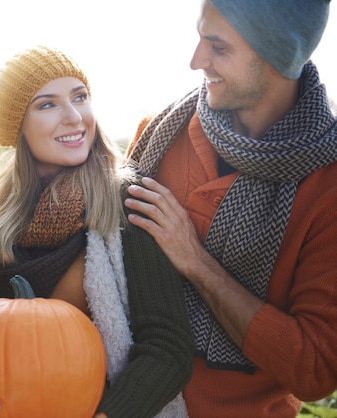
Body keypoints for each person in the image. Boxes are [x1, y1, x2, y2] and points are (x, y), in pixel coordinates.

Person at [0, 45, 194, 418]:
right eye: (47, 105)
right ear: (18, 126)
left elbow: (167, 349)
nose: (74, 117)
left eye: (80, 97)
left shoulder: (124, 200)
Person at [123, 1, 337, 417]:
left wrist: (196, 263)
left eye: (218, 47)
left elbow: (315, 369)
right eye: (200, 37)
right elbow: (99, 264)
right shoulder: (158, 134)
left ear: (278, 54)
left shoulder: (328, 186)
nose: (196, 61)